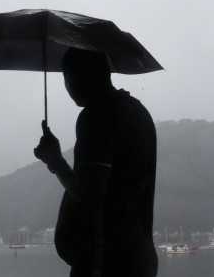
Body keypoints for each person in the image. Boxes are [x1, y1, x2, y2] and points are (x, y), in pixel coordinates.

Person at [34, 48, 158, 277]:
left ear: (70, 75)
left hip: (106, 260)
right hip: (141, 259)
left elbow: (89, 194)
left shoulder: (97, 115)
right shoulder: (139, 112)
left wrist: (55, 161)